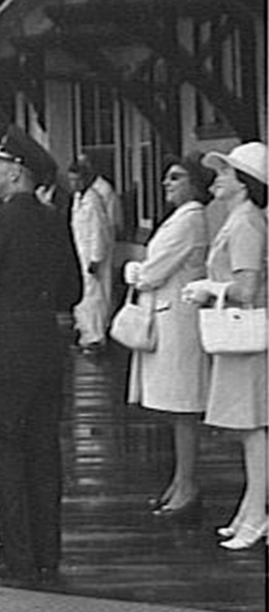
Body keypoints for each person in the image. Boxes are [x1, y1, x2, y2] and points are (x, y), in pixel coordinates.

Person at [0, 126, 82, 586]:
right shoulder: (54, 219)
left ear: (15, 172)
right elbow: (73, 289)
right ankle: (47, 552)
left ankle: (15, 553)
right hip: (46, 349)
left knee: (5, 452)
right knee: (44, 451)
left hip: (1, 351)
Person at [182, 141, 268, 551]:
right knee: (246, 428)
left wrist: (209, 288)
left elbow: (249, 287)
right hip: (238, 341)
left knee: (253, 429)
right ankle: (249, 510)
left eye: (226, 173)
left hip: (248, 339)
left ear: (245, 183)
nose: (218, 178)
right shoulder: (238, 218)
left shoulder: (247, 222)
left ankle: (256, 515)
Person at [122, 154, 213, 519]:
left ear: (194, 184)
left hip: (178, 323)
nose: (167, 184)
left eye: (175, 177)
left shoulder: (189, 221)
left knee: (183, 407)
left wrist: (132, 270)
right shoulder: (181, 219)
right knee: (177, 410)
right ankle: (179, 481)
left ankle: (188, 485)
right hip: (171, 319)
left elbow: (151, 273)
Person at [69, 161, 113, 352]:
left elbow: (98, 231)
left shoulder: (93, 200)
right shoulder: (79, 198)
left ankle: (96, 336)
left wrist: (96, 258)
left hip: (92, 257)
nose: (73, 184)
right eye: (71, 180)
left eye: (76, 180)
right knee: (84, 297)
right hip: (80, 253)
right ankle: (86, 333)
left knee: (94, 297)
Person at [80, 152, 123, 240]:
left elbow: (112, 217)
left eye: (85, 164)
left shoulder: (104, 189)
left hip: (101, 238)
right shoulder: (80, 190)